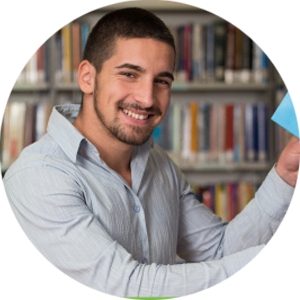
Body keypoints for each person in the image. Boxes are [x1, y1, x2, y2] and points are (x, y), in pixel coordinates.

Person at [4, 7, 300, 298]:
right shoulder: (40, 174)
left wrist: (284, 175)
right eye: (130, 74)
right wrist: (269, 266)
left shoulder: (159, 165)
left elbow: (218, 251)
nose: (147, 98)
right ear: (87, 77)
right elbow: (126, 286)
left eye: (161, 81)